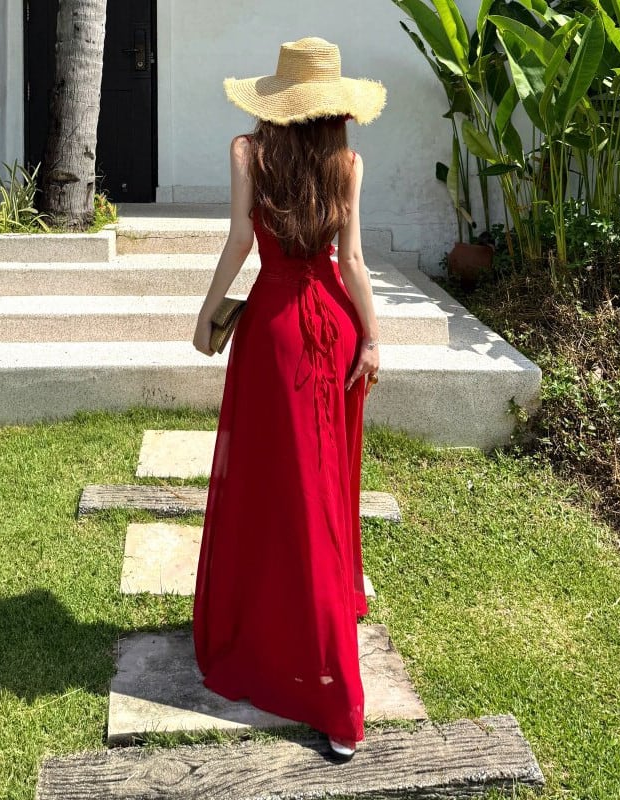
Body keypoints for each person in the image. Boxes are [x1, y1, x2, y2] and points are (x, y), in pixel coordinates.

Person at [191, 37, 385, 761]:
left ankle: (282, 639)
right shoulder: (348, 163)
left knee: (269, 488)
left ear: (277, 99)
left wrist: (206, 315)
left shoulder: (248, 153)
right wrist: (372, 338)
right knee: (321, 493)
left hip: (272, 331)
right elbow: (352, 261)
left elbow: (240, 243)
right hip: (333, 326)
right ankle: (328, 647)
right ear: (334, 107)